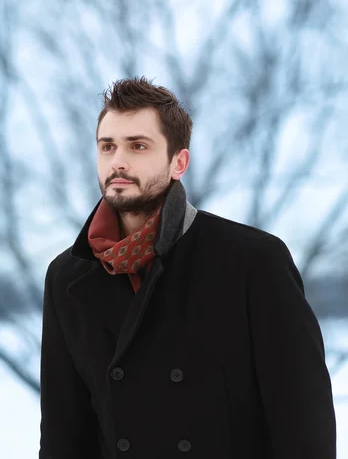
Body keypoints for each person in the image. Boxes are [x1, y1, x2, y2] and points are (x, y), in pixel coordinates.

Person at [39, 76, 336, 459]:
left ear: (179, 162)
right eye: (107, 147)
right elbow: (64, 435)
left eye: (138, 146)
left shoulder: (254, 261)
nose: (118, 161)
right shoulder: (68, 276)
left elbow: (303, 426)